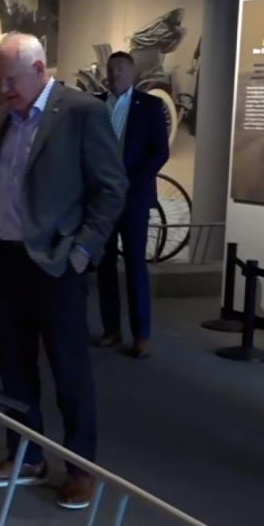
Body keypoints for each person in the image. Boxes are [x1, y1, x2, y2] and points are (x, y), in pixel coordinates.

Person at [0, 33, 126, 510]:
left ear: (39, 71)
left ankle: (81, 469)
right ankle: (26, 458)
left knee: (69, 370)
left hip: (56, 266)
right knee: (12, 367)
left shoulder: (81, 113)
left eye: (10, 79)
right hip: (5, 260)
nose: (2, 89)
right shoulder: (5, 116)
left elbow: (112, 189)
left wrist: (80, 254)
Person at [93, 51, 170, 359]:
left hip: (134, 199)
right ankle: (111, 330)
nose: (115, 74)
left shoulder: (150, 107)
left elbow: (159, 152)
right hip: (101, 200)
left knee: (136, 267)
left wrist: (131, 182)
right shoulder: (96, 105)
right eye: (111, 69)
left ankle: (142, 336)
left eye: (121, 69)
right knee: (105, 267)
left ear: (132, 72)